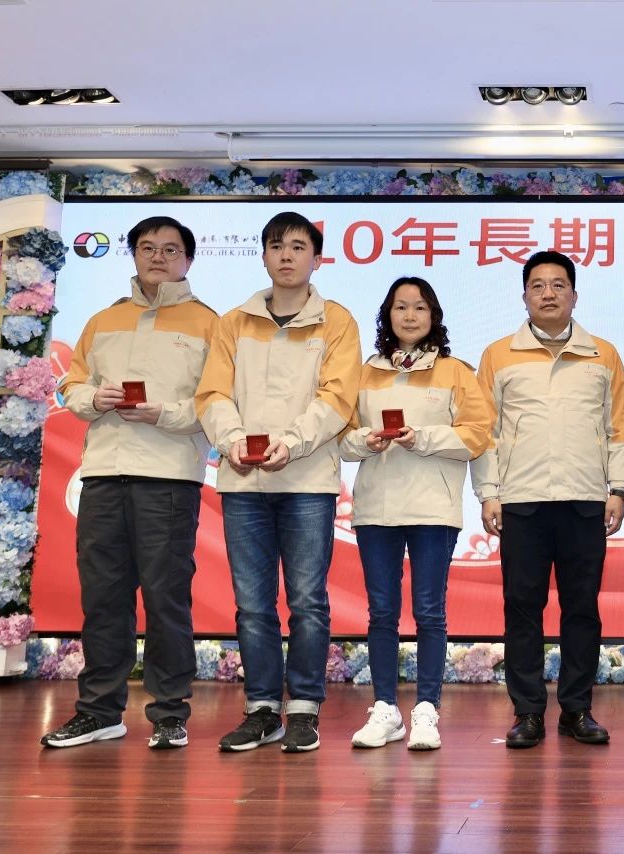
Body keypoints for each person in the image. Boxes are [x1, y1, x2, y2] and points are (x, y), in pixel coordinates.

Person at [41, 216, 217, 750]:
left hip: (167, 477)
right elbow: (72, 386)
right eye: (147, 247)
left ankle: (170, 712)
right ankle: (99, 711)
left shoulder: (210, 323)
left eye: (170, 249)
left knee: (166, 598)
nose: (157, 257)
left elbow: (217, 402)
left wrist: (164, 412)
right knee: (103, 598)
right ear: (134, 255)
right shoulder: (103, 319)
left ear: (189, 259)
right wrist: (92, 399)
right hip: (102, 474)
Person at [196, 212, 361, 753]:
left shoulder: (337, 321)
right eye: (275, 246)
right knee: (252, 603)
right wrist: (232, 439)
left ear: (317, 258)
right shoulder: (233, 322)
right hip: (243, 482)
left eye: (297, 246)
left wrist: (292, 440)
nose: (286, 255)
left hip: (307, 479)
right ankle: (262, 709)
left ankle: (305, 709)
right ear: (263, 256)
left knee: (308, 600)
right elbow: (212, 394)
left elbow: (338, 396)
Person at [471, 250, 624, 749]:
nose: (548, 293)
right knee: (523, 608)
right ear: (524, 296)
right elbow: (485, 431)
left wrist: (618, 489)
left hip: (585, 500)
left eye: (558, 285)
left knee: (582, 608)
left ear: (574, 295)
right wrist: (489, 493)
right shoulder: (499, 354)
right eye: (538, 285)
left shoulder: (603, 354)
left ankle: (577, 710)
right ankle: (527, 712)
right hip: (522, 501)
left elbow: (620, 428)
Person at [340, 276, 492, 751]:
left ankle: (426, 709)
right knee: (382, 611)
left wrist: (423, 438)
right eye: (401, 307)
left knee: (429, 611)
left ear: (434, 316)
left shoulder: (455, 371)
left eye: (420, 307)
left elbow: (478, 433)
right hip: (376, 508)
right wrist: (365, 440)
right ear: (387, 315)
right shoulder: (363, 372)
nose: (410, 316)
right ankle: (385, 709)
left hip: (432, 507)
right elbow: (340, 436)